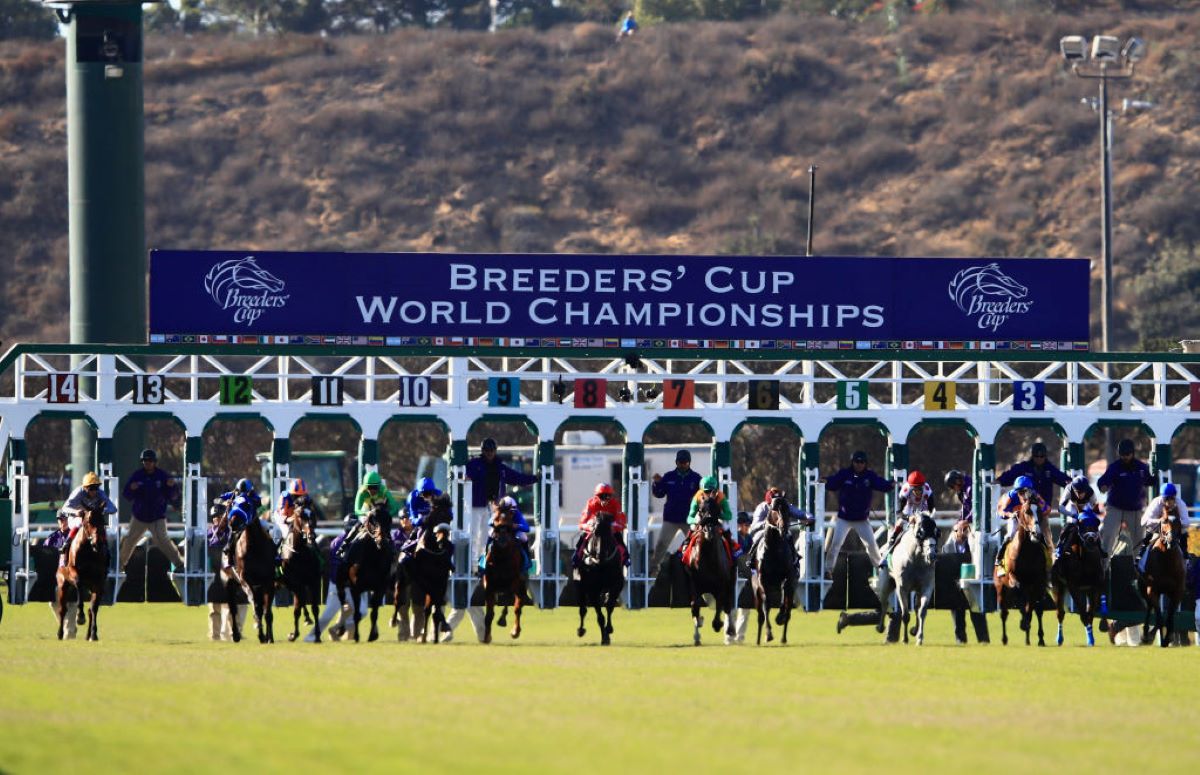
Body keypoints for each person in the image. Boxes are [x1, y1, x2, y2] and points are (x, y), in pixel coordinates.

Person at [464, 438, 537, 564]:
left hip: (493, 507)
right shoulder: (474, 464)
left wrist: (535, 478)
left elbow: (517, 478)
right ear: (483, 451)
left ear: (495, 451)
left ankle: (482, 561)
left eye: (491, 450)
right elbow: (463, 475)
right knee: (474, 533)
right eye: (487, 450)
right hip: (476, 505)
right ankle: (472, 563)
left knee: (487, 535)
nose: (489, 453)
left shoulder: (500, 467)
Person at [822, 451, 892, 577]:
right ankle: (828, 569)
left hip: (861, 519)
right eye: (857, 462)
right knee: (836, 543)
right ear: (852, 462)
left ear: (865, 463)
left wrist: (890, 484)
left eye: (862, 462)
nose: (859, 464)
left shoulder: (869, 476)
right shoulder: (845, 474)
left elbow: (880, 484)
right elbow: (833, 482)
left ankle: (880, 566)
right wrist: (825, 480)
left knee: (871, 544)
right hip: (844, 518)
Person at [120, 448, 185, 574]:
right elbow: (126, 495)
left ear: (155, 462)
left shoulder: (162, 476)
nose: (147, 463)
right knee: (129, 540)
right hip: (139, 517)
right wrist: (131, 489)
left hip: (157, 517)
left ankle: (179, 564)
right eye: (145, 461)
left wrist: (171, 487)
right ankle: (119, 566)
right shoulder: (137, 475)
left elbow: (174, 496)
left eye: (150, 461)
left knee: (163, 540)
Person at [1097, 438, 1155, 556]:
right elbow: (1104, 481)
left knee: (1139, 541)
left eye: (1127, 454)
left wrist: (1156, 478)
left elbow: (1150, 481)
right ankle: (1103, 568)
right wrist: (1102, 486)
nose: (1125, 457)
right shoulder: (1114, 467)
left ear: (1133, 453)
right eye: (1122, 455)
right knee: (1108, 536)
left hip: (1135, 510)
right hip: (1115, 508)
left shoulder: (1141, 468)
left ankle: (1137, 569)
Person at [650, 449, 702, 572]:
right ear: (676, 462)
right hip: (671, 518)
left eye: (685, 462)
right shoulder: (668, 477)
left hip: (689, 519)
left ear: (689, 463)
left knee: (696, 544)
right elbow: (659, 494)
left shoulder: (696, 478)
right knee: (661, 544)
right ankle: (653, 569)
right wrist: (657, 484)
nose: (683, 465)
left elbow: (701, 497)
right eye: (680, 462)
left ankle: (697, 567)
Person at [941, 518, 989, 644]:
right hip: (955, 588)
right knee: (958, 617)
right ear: (955, 530)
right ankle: (960, 641)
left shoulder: (974, 545)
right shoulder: (947, 548)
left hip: (972, 586)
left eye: (966, 529)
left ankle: (983, 640)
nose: (963, 532)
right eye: (961, 529)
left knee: (977, 614)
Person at [58, 471, 117, 567]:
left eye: (96, 488)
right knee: (80, 523)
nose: (94, 491)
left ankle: (106, 549)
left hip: (91, 519)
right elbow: (64, 508)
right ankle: (66, 545)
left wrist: (100, 510)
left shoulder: (100, 493)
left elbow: (113, 509)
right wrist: (75, 512)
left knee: (100, 525)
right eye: (91, 488)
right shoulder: (78, 492)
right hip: (76, 518)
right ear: (85, 487)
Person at [337, 470, 401, 558]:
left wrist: (386, 515)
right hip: (367, 511)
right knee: (358, 525)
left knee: (384, 527)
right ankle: (344, 545)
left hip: (380, 513)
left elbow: (394, 507)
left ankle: (392, 547)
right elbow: (357, 510)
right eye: (370, 487)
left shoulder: (384, 490)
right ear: (365, 486)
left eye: (375, 487)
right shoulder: (361, 491)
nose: (373, 490)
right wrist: (367, 513)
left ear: (379, 486)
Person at [994, 475, 1050, 574]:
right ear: (1016, 492)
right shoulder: (1010, 496)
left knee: (1040, 533)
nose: (1024, 496)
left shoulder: (1035, 495)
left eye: (1027, 491)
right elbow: (1001, 512)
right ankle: (999, 559)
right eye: (1021, 493)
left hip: (1029, 518)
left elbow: (1047, 509)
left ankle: (1048, 559)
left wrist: (1038, 514)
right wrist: (1011, 514)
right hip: (1015, 518)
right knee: (1010, 534)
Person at [747, 486, 809, 567]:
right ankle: (751, 558)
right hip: (765, 532)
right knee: (758, 536)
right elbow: (754, 525)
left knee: (789, 535)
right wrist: (765, 524)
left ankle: (795, 558)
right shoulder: (761, 507)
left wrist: (809, 517)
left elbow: (800, 513)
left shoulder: (784, 506)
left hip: (780, 531)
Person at [682, 476, 738, 564]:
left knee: (725, 525)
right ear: (702, 490)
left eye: (712, 491)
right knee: (692, 526)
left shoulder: (721, 496)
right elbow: (689, 519)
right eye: (706, 491)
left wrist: (718, 514)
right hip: (701, 520)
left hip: (716, 519)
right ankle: (685, 546)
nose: (709, 493)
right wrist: (696, 520)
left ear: (716, 489)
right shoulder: (697, 497)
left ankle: (732, 547)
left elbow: (729, 515)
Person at [1136, 483, 1190, 574]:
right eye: (1166, 499)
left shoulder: (1180, 504)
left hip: (1174, 530)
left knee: (1184, 533)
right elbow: (1143, 521)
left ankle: (1185, 560)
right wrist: (1159, 521)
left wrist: (1174, 522)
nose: (1169, 502)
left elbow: (1186, 523)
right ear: (1162, 497)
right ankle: (1140, 562)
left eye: (1171, 498)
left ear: (1175, 497)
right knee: (1147, 540)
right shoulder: (1155, 503)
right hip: (1156, 529)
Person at [573, 483, 629, 569]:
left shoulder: (615, 504)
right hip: (594, 529)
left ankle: (625, 558)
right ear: (596, 496)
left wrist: (611, 527)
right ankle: (576, 557)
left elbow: (622, 523)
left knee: (619, 538)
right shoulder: (591, 503)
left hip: (610, 530)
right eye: (601, 496)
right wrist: (590, 527)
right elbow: (582, 523)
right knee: (583, 538)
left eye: (608, 496)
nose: (605, 499)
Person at [997, 442, 1071, 507]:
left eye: (1042, 456)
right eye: (1036, 456)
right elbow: (1011, 474)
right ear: (1032, 456)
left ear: (1045, 456)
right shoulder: (1025, 467)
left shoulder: (1050, 469)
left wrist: (1072, 483)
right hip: (1027, 505)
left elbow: (1062, 478)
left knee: (1043, 520)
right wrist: (999, 481)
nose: (1039, 458)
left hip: (1043, 506)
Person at [882, 471, 933, 560]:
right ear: (911, 487)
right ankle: (891, 543)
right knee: (900, 522)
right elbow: (899, 512)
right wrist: (908, 517)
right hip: (909, 507)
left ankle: (933, 547)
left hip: (922, 507)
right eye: (915, 489)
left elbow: (931, 509)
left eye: (920, 488)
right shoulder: (905, 490)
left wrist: (925, 517)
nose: (918, 492)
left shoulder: (928, 490)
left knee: (928, 524)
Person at [45, 513, 78, 638]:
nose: (62, 522)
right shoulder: (53, 538)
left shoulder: (76, 536)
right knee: (52, 601)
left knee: (71, 601)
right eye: (60, 519)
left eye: (64, 519)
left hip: (73, 575)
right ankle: (67, 627)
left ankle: (69, 633)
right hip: (57, 576)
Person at [1055, 475, 1103, 559]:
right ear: (1073, 489)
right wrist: (1074, 515)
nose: (1079, 495)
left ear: (1086, 490)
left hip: (1086, 507)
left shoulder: (1091, 492)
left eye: (1082, 492)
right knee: (1071, 524)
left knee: (1094, 526)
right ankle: (1059, 546)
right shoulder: (1069, 489)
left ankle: (1100, 549)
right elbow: (1060, 508)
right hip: (1072, 507)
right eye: (1077, 491)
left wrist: (1089, 517)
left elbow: (1095, 509)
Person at [482, 495, 532, 573]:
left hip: (513, 531)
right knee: (490, 533)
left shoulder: (517, 513)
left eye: (513, 511)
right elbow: (490, 522)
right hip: (500, 532)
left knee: (524, 538)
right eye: (510, 511)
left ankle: (527, 560)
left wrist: (517, 526)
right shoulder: (499, 512)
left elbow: (527, 528)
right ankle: (485, 557)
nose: (512, 514)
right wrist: (497, 524)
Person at [273, 478, 314, 544]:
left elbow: (309, 513)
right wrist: (294, 519)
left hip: (296, 517)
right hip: (282, 518)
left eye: (302, 495)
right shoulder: (284, 497)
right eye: (297, 496)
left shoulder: (307, 498)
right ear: (292, 494)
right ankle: (277, 550)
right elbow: (284, 518)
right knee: (287, 533)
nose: (300, 498)